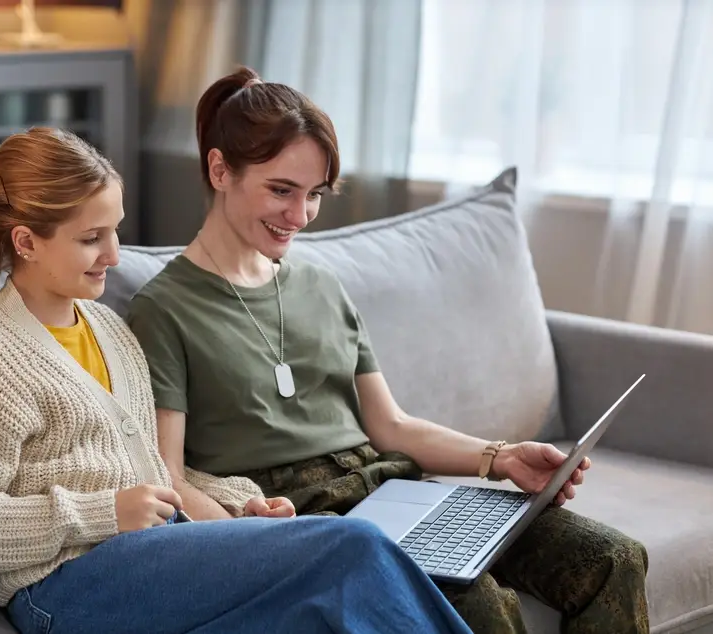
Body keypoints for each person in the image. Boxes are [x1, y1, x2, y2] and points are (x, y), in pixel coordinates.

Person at [125, 66, 651, 634]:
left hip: (391, 489)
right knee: (481, 606)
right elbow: (168, 476)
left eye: (314, 195)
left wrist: (501, 457)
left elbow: (392, 427)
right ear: (220, 169)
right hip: (306, 519)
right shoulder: (162, 309)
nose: (299, 216)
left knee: (613, 559)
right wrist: (256, 533)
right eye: (281, 190)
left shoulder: (321, 288)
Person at [0, 126, 473, 634]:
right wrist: (101, 513)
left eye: (115, 231)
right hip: (62, 588)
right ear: (27, 241)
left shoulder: (107, 328)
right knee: (350, 543)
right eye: (91, 238)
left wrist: (238, 504)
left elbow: (148, 469)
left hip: (156, 552)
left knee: (319, 609)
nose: (114, 254)